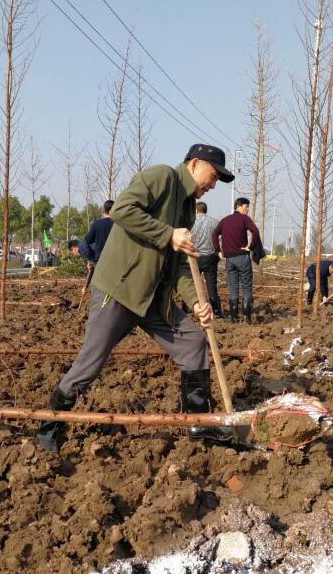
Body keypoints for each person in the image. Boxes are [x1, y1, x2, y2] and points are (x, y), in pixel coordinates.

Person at [37, 143, 235, 452]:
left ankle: (199, 425)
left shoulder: (186, 210)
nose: (212, 186)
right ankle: (49, 427)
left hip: (153, 300)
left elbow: (181, 265)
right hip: (119, 290)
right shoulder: (162, 178)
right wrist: (168, 234)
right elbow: (123, 209)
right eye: (212, 177)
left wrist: (196, 301)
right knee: (90, 365)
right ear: (195, 164)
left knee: (193, 340)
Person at [212, 197, 259, 324]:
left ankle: (233, 318)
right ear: (238, 206)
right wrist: (250, 247)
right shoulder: (244, 219)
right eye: (245, 206)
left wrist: (219, 251)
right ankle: (246, 318)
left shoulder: (225, 220)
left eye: (248, 207)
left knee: (233, 288)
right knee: (247, 287)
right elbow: (255, 231)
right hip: (242, 257)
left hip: (229, 259)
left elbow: (214, 234)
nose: (247, 209)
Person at [191, 201, 224, 318]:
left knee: (192, 283)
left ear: (196, 210)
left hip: (194, 257)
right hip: (210, 257)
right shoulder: (215, 222)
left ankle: (188, 308)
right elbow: (220, 239)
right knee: (211, 285)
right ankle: (216, 310)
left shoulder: (191, 222)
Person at [79, 200, 114, 264]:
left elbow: (85, 243)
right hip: (116, 259)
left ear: (103, 210)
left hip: (100, 260)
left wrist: (91, 258)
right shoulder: (118, 223)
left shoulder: (97, 224)